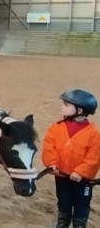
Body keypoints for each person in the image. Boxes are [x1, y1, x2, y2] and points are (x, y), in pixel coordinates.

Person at [41, 89, 100, 228]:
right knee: (63, 200)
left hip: (82, 180)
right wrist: (52, 163)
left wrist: (81, 172)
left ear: (79, 110)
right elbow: (49, 146)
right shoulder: (56, 127)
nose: (62, 107)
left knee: (82, 203)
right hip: (61, 175)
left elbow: (94, 157)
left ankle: (79, 223)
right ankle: (63, 220)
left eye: (66, 105)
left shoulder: (93, 134)